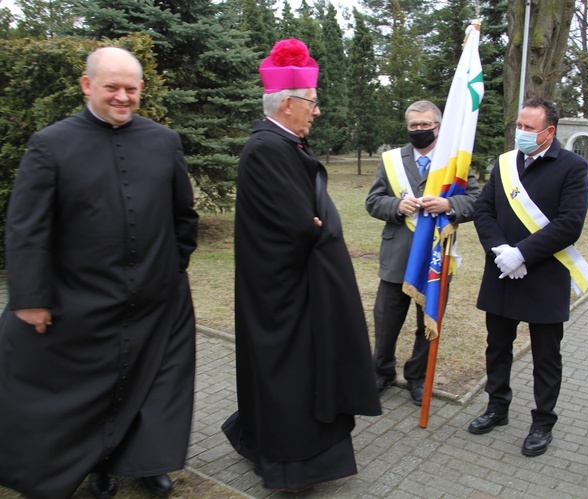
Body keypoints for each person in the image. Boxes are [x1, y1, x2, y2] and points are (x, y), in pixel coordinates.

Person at [0, 47, 199, 498]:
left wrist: (171, 269)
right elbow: (27, 227)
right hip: (80, 297)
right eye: (112, 87)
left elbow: (182, 216)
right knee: (84, 390)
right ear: (87, 85)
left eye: (131, 88)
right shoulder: (51, 143)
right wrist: (31, 298)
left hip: (156, 297)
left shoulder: (163, 140)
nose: (123, 97)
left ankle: (146, 462)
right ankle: (96, 466)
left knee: (153, 386)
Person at [221, 38, 381, 493]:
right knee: (291, 379)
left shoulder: (282, 144)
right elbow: (299, 226)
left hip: (293, 290)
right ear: (288, 102)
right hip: (285, 296)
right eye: (311, 102)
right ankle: (292, 465)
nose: (316, 110)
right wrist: (316, 227)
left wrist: (316, 223)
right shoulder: (269, 148)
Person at [469, 98, 588, 457]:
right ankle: (496, 407)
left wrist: (523, 253)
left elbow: (570, 223)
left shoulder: (572, 167)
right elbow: (483, 210)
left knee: (546, 356)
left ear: (549, 132)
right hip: (503, 271)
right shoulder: (505, 164)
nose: (520, 133)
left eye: (528, 128)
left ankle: (542, 422)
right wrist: (501, 251)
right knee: (497, 347)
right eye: (518, 126)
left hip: (545, 274)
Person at [365, 100, 480, 406]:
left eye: (425, 125)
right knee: (385, 321)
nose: (419, 130)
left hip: (434, 257)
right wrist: (396, 205)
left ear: (438, 126)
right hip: (397, 256)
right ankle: (382, 371)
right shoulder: (390, 160)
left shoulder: (454, 162)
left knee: (427, 324)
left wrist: (450, 206)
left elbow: (477, 200)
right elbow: (373, 200)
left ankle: (417, 378)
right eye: (413, 125)